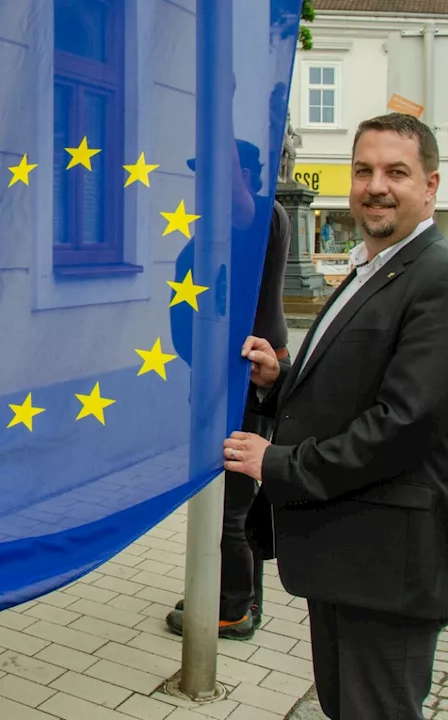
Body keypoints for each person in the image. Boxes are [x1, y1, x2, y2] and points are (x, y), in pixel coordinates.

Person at [222, 113, 448, 719]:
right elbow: (353, 387)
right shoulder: (373, 267)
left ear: (430, 186)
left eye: (396, 172)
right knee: (344, 707)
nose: (376, 185)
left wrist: (280, 464)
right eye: (364, 171)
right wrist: (280, 382)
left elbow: (401, 427)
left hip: (391, 564)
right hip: (347, 552)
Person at [167, 139, 291, 640]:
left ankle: (233, 609)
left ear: (246, 176)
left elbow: (243, 209)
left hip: (250, 384)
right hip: (214, 388)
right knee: (226, 494)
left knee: (232, 504)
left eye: (219, 173)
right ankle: (230, 589)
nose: (207, 184)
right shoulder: (199, 243)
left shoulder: (265, 219)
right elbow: (184, 319)